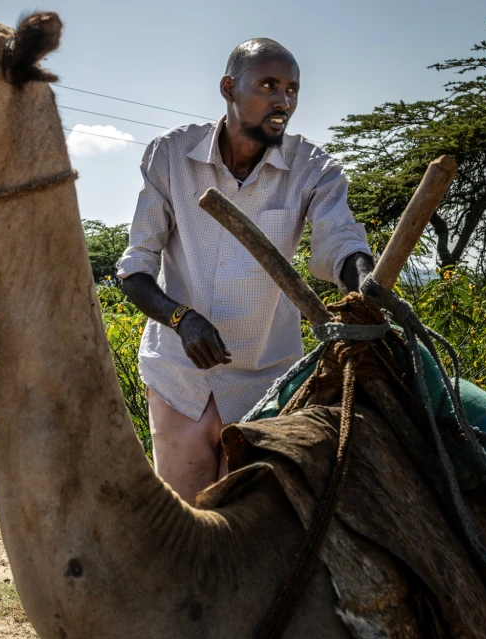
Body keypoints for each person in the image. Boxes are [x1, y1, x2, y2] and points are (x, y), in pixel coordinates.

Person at [116, 38, 375, 504]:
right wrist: (182, 319)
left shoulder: (313, 169)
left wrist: (367, 284)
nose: (283, 101)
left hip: (266, 378)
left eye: (292, 90)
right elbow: (135, 269)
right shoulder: (171, 156)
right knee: (188, 521)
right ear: (229, 88)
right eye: (268, 86)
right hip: (180, 377)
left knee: (248, 526)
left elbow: (342, 244)